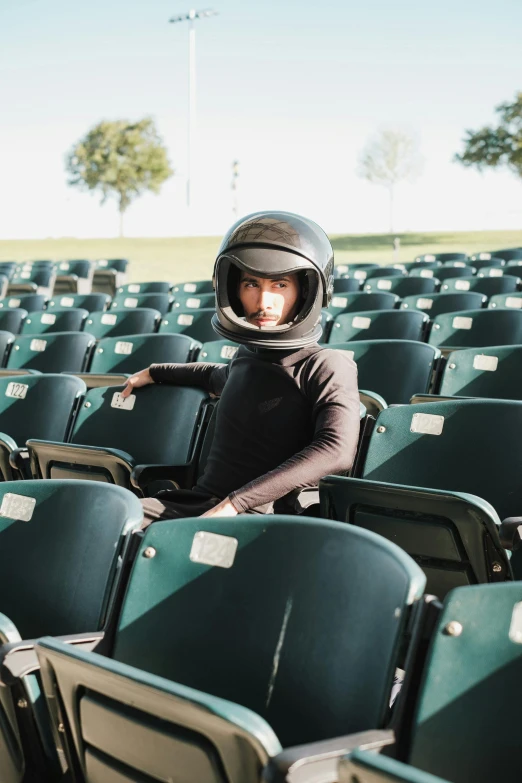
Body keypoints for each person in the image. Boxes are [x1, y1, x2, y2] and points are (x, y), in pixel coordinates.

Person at [122, 211, 360, 524]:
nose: (264, 301)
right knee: (111, 513)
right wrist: (155, 372)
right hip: (204, 504)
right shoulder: (247, 358)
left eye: (279, 284)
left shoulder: (326, 365)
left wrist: (237, 502)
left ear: (306, 291)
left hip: (263, 518)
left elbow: (336, 451)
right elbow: (215, 376)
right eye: (251, 284)